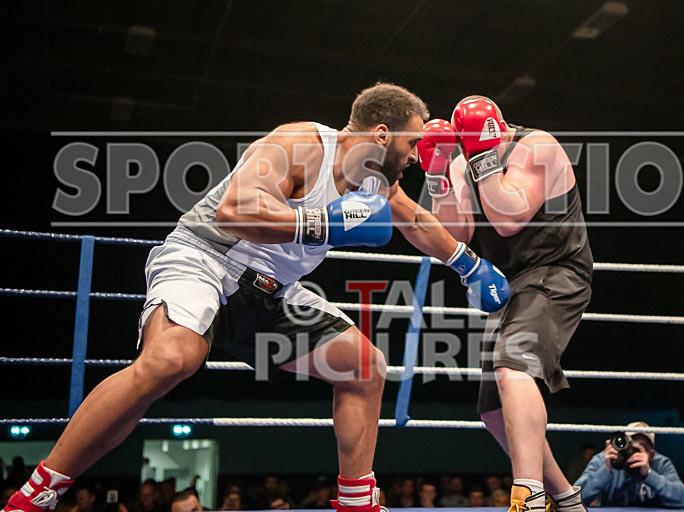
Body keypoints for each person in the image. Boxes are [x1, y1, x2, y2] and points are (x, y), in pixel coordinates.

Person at [3, 83, 509, 512]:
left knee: (364, 367)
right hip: (206, 259)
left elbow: (416, 221)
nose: (418, 155)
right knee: (169, 360)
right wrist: (322, 222)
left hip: (271, 294)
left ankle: (356, 501)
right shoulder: (301, 143)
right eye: (414, 141)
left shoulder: (378, 181)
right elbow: (234, 211)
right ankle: (37, 493)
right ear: (383, 133)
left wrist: (467, 263)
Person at [419, 96, 593, 512]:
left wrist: (481, 157)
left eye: (476, 143)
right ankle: (566, 499)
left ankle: (528, 496)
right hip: (510, 283)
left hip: (557, 270)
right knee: (494, 410)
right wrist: (438, 174)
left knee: (512, 366)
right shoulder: (461, 156)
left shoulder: (537, 146)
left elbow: (508, 217)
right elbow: (455, 233)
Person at [574, 421, 684, 508]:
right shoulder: (606, 459)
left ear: (651, 454)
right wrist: (606, 470)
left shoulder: (660, 463)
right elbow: (574, 499)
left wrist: (649, 475)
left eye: (642, 448)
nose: (634, 453)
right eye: (631, 446)